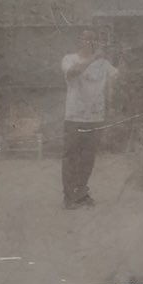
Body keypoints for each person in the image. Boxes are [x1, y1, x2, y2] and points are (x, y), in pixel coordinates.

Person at [61, 30, 119, 209]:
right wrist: (93, 58)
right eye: (87, 39)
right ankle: (69, 197)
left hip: (95, 117)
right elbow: (72, 73)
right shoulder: (69, 59)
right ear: (80, 40)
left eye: (94, 39)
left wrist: (124, 58)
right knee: (71, 157)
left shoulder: (104, 63)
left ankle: (81, 193)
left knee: (88, 158)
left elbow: (118, 77)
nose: (91, 42)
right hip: (74, 116)